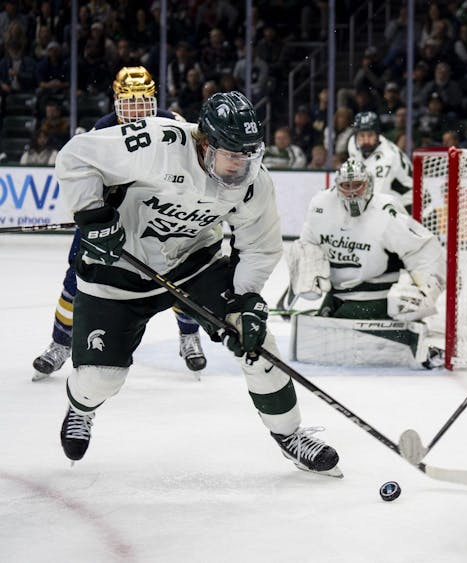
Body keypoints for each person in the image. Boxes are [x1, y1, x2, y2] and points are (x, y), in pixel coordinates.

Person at [53, 90, 341, 476]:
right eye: (232, 154)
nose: (242, 165)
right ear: (204, 142)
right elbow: (77, 156)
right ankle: (81, 407)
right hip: (117, 269)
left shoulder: (254, 181)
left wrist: (245, 301)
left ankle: (290, 435)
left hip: (193, 265)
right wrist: (93, 215)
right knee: (101, 378)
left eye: (249, 154)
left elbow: (258, 248)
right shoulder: (158, 142)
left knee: (256, 342)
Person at [32, 66, 209, 382]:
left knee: (181, 276)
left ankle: (188, 336)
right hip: (113, 217)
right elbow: (85, 179)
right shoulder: (103, 131)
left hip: (158, 214)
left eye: (143, 102)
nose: (137, 110)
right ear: (116, 101)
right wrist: (95, 211)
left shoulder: (172, 125)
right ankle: (60, 344)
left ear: (154, 101)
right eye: (130, 102)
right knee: (76, 277)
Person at [286, 158, 445, 366]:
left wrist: (427, 287)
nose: (352, 193)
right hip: (337, 295)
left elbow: (422, 248)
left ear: (368, 184)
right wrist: (305, 269)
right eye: (346, 186)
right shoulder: (321, 206)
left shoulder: (386, 211)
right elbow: (306, 243)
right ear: (337, 186)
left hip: (377, 296)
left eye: (357, 186)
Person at [346, 111, 414, 206]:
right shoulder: (353, 143)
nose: (366, 140)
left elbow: (375, 199)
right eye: (362, 135)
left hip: (409, 203)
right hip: (391, 198)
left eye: (370, 135)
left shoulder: (387, 157)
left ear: (378, 135)